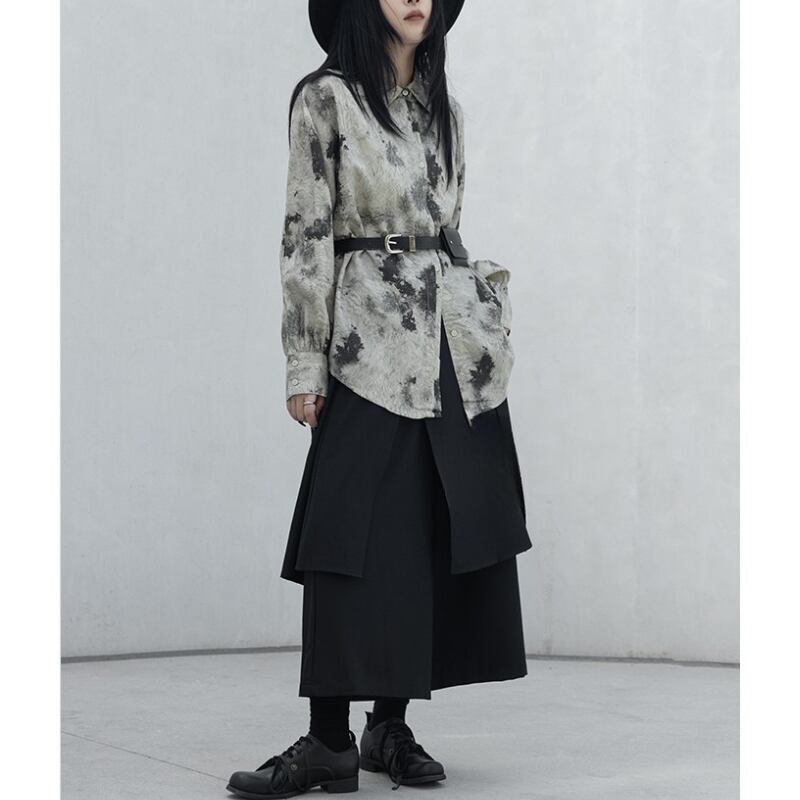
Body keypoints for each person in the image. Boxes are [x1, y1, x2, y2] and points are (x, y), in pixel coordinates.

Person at [227, 1, 533, 796]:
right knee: (346, 537)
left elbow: (451, 223)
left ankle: (387, 727)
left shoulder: (445, 112)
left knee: (425, 534)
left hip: (452, 345)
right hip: (366, 343)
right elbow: (305, 235)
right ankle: (328, 739)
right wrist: (305, 363)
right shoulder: (324, 100)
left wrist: (487, 318)